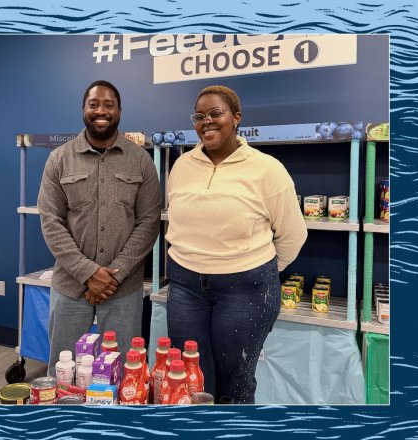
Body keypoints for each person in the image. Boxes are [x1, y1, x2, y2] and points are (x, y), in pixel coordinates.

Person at [165, 85, 307, 403]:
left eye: (216, 113)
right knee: (190, 378)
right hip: (186, 288)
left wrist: (257, 271)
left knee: (236, 381)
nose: (207, 122)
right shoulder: (181, 166)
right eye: (199, 116)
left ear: (236, 118)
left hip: (245, 291)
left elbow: (293, 235)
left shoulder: (267, 170)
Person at [38, 80, 161, 376]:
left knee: (121, 372)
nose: (101, 111)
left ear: (119, 111)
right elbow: (51, 221)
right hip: (70, 287)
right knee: (63, 370)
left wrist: (112, 276)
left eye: (109, 105)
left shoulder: (141, 161)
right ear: (83, 109)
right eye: (94, 104)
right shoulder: (59, 159)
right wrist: (88, 273)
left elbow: (149, 221)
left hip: (123, 290)